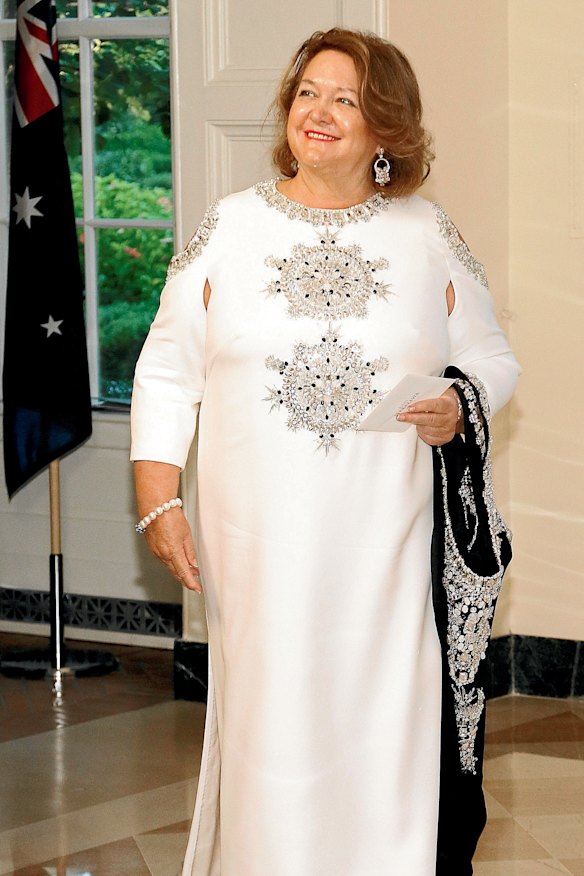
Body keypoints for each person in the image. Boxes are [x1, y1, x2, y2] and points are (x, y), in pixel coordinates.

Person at [130, 27, 520, 876]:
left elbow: (491, 355)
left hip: (386, 546)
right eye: (309, 91)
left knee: (387, 728)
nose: (320, 110)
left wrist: (461, 401)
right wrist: (159, 498)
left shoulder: (426, 233)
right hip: (259, 548)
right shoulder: (230, 227)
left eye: (346, 98)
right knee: (274, 725)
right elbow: (166, 368)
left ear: (386, 127)